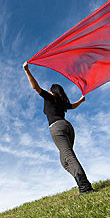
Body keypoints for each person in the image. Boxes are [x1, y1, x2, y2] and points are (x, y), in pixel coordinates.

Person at [23, 62, 94, 194]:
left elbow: (35, 87)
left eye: (50, 90)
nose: (48, 91)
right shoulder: (62, 102)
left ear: (52, 91)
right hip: (68, 127)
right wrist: (81, 100)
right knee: (64, 161)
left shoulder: (50, 97)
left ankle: (85, 187)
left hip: (57, 128)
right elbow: (72, 106)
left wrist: (27, 70)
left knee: (69, 156)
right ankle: (81, 182)